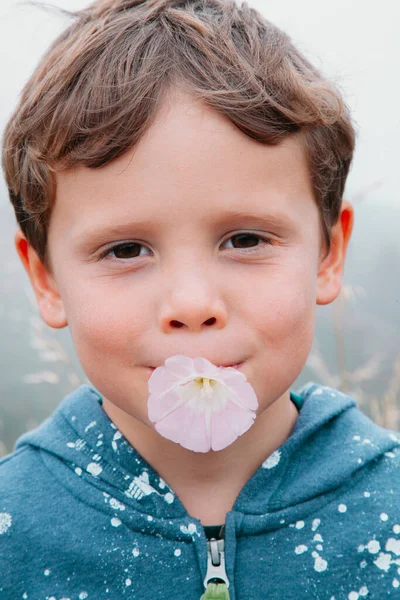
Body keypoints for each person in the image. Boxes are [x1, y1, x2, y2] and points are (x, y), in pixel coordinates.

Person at [1, 0, 399, 598]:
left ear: (327, 254)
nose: (191, 304)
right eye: (126, 250)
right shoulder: (12, 533)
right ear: (47, 279)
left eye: (245, 239)